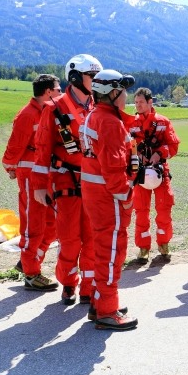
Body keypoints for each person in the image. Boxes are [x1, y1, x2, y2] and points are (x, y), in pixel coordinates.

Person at [32, 54, 101, 305]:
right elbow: (42, 147)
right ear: (74, 77)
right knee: (70, 238)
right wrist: (40, 185)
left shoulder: (99, 106)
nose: (96, 81)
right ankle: (69, 283)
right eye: (91, 76)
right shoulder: (54, 108)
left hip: (95, 181)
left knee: (93, 236)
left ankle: (89, 288)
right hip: (66, 180)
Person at [80, 69, 138, 330]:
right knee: (112, 252)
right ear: (113, 93)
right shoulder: (111, 123)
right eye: (123, 91)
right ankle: (107, 310)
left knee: (102, 249)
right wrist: (126, 197)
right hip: (109, 197)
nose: (127, 96)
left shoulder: (94, 115)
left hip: (95, 194)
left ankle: (99, 301)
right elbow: (114, 171)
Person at [2, 74, 60, 290]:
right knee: (33, 224)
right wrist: (10, 166)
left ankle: (28, 260)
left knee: (52, 225)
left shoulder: (50, 112)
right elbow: (15, 146)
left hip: (47, 173)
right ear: (48, 92)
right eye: (58, 88)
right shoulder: (27, 115)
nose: (61, 92)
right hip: (30, 173)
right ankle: (32, 274)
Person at [129, 87, 180, 263]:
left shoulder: (163, 122)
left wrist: (160, 153)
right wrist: (136, 155)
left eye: (141, 102)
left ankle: (163, 244)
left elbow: (173, 146)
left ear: (150, 102)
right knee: (141, 210)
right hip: (140, 173)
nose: (138, 105)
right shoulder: (131, 124)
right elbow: (126, 147)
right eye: (136, 102)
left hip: (160, 172)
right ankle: (143, 248)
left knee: (164, 209)